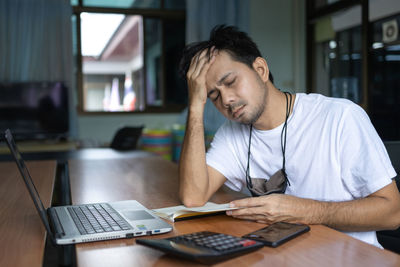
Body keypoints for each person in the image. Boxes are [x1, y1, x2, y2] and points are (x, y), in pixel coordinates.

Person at [177, 25, 400, 247]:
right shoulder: (231, 133)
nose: (226, 100)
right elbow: (193, 197)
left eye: (230, 82)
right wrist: (196, 104)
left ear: (261, 69)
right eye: (213, 96)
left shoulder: (340, 117)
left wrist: (307, 211)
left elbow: (393, 213)